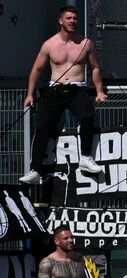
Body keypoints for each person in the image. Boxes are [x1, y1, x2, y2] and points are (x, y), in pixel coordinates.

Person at [20, 5, 107, 185]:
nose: (72, 21)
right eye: (69, 18)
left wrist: (99, 91)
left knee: (87, 116)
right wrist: (30, 94)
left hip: (77, 89)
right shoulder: (50, 44)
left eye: (75, 18)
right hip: (55, 90)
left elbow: (95, 68)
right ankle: (35, 170)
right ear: (61, 20)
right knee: (43, 127)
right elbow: (36, 69)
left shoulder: (85, 44)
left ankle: (85, 157)